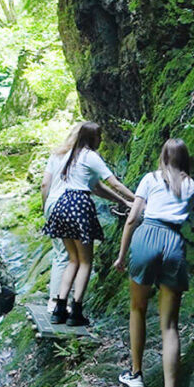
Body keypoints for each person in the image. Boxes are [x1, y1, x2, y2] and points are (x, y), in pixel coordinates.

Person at [113, 138, 194, 387]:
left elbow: (132, 219)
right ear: (185, 160)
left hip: (147, 237)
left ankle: (135, 373)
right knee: (169, 325)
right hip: (174, 244)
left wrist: (121, 255)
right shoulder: (191, 186)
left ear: (163, 157)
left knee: (137, 309)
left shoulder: (150, 179)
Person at [42, 121, 133, 327]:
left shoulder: (68, 155)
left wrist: (123, 201)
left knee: (72, 260)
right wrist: (136, 199)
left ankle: (59, 308)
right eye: (99, 137)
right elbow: (113, 183)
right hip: (79, 205)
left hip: (61, 205)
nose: (101, 140)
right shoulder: (90, 156)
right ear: (92, 138)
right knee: (85, 262)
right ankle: (76, 311)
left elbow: (97, 187)